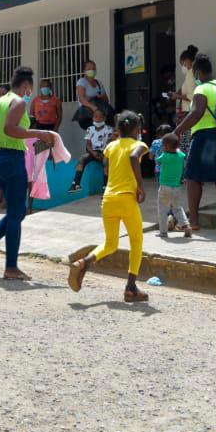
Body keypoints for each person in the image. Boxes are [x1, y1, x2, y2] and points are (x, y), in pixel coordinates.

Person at [0, 67, 56, 280]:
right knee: (17, 215)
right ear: (26, 86)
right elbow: (10, 129)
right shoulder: (19, 102)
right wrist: (39, 132)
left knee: (16, 212)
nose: (30, 93)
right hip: (13, 160)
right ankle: (11, 267)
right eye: (30, 89)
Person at [66, 110, 149, 303]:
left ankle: (83, 262)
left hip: (108, 199)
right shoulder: (140, 145)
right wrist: (141, 187)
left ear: (118, 130)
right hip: (127, 199)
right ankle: (131, 288)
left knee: (111, 244)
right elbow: (134, 157)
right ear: (137, 130)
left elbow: (115, 156)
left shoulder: (111, 146)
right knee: (136, 241)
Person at [172, 54, 216, 234]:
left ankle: (194, 221)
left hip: (205, 136)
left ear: (196, 72)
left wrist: (177, 131)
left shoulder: (201, 88)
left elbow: (196, 113)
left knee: (194, 177)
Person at [154, 132, 193, 238]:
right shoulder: (181, 155)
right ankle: (186, 225)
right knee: (177, 208)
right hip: (176, 187)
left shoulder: (164, 156)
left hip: (164, 187)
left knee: (162, 208)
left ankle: (163, 232)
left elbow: (158, 161)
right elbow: (182, 154)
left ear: (165, 146)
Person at [69, 108, 112, 192]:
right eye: (96, 117)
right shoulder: (90, 129)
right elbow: (88, 144)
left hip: (105, 152)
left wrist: (104, 153)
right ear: (93, 118)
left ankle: (105, 187)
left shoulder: (109, 129)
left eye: (100, 117)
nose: (98, 119)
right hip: (93, 152)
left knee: (106, 162)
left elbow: (109, 144)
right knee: (82, 159)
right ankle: (76, 184)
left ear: (104, 118)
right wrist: (93, 153)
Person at [172, 45, 199, 151]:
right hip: (187, 113)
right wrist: (176, 93)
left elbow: (191, 96)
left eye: (183, 63)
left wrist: (177, 96)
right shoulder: (190, 73)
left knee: (186, 145)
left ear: (188, 60)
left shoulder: (191, 73)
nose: (182, 66)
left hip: (188, 114)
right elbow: (184, 89)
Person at [74, 60, 110, 129]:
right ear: (84, 71)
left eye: (94, 68)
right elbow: (82, 99)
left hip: (99, 114)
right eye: (89, 69)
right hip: (87, 114)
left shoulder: (99, 83)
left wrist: (101, 97)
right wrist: (94, 108)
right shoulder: (81, 81)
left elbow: (106, 100)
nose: (92, 70)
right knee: (92, 132)